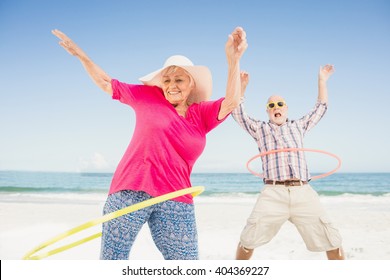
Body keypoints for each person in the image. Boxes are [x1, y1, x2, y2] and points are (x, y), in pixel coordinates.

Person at [52, 27, 247, 260]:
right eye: (167, 80)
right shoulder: (148, 96)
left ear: (192, 84)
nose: (172, 85)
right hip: (130, 191)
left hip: (177, 198)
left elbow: (232, 101)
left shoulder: (201, 114)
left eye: (179, 79)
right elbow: (106, 83)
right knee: (113, 261)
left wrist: (233, 59)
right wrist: (81, 55)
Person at [232, 65, 345, 260]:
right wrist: (242, 88)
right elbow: (237, 112)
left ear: (286, 108)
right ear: (267, 111)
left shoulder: (299, 126)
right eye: (271, 105)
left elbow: (321, 108)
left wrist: (322, 81)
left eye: (279, 104)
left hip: (303, 191)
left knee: (333, 242)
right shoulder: (260, 129)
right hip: (273, 193)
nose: (276, 107)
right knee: (247, 241)